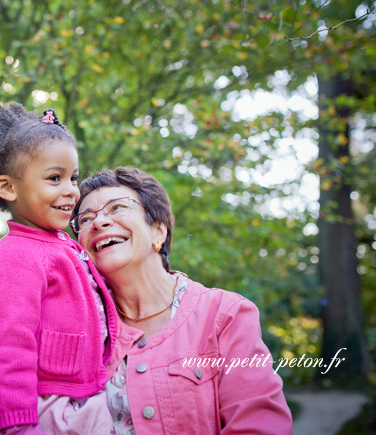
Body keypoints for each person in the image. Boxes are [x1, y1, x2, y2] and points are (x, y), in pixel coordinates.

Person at [71, 167, 293, 435]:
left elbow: (259, 426)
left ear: (158, 231)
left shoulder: (226, 316)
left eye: (117, 207)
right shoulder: (76, 328)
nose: (98, 222)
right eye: (85, 219)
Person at [0, 102, 118, 435]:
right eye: (54, 178)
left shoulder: (60, 244)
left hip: (74, 398)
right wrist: (18, 423)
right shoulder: (18, 255)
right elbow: (10, 348)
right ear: (8, 187)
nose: (71, 190)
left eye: (73, 178)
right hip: (35, 408)